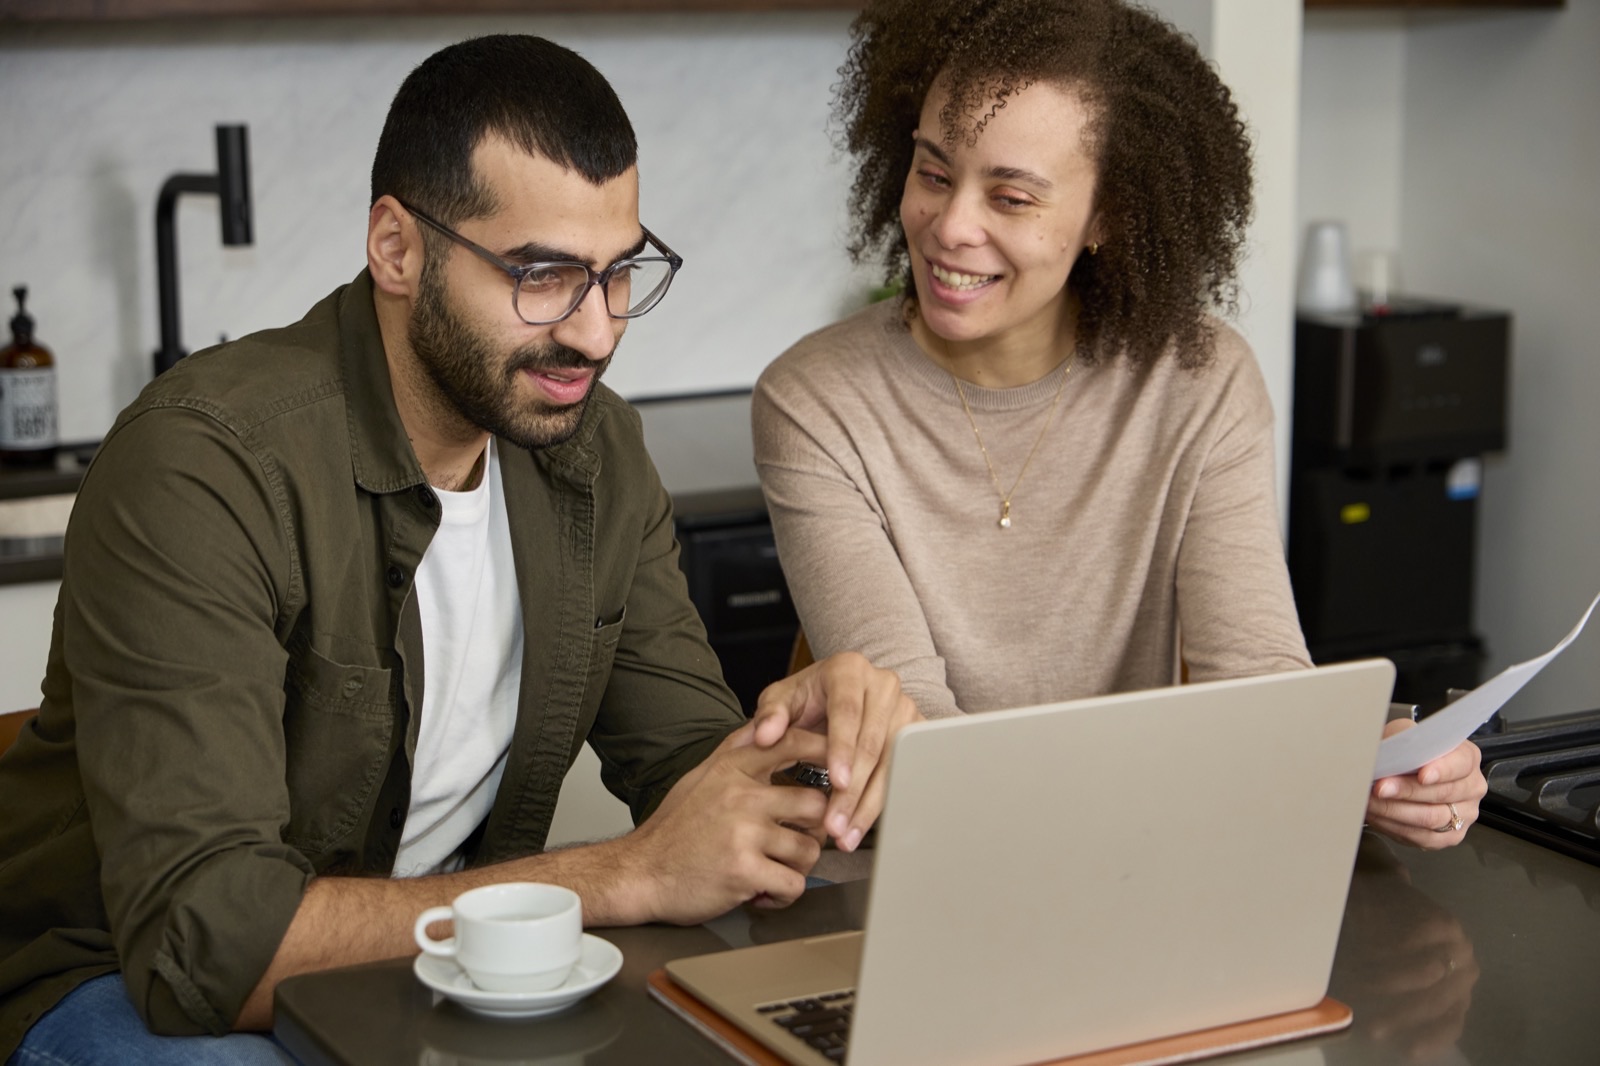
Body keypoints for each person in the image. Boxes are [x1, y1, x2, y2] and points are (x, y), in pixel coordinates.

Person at [0, 35, 917, 1063]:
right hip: (116, 984)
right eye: (542, 274)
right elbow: (208, 949)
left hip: (430, 973)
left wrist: (808, 754)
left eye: (619, 273)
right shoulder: (203, 465)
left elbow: (691, 780)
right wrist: (625, 874)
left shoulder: (596, 454)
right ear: (397, 249)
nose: (597, 333)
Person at [752, 0, 1484, 854]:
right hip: (919, 862)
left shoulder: (1201, 382)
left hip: (1142, 857)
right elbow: (919, 742)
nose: (950, 227)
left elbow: (1258, 687)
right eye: (934, 173)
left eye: (1011, 196)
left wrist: (1368, 761)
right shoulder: (815, 401)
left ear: (1109, 216)